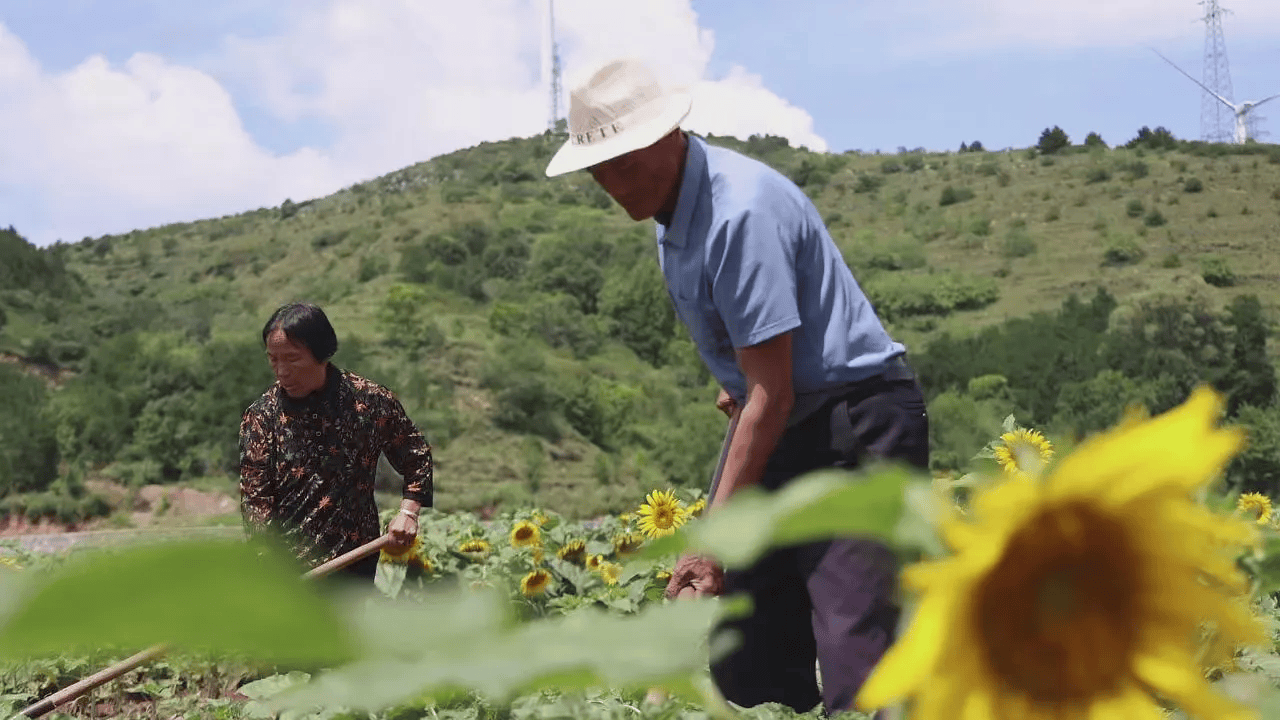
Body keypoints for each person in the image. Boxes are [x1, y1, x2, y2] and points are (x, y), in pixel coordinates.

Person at [544, 59, 929, 717]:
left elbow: (773, 393)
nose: (610, 183)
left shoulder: (738, 212)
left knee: (857, 651)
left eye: (623, 163)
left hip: (855, 428)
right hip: (782, 421)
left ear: (669, 136)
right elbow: (758, 377)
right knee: (750, 652)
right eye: (598, 169)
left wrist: (711, 540)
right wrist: (740, 388)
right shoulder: (671, 222)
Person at [238, 302, 434, 582]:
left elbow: (416, 456)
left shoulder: (369, 402)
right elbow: (256, 502)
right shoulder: (262, 417)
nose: (281, 371)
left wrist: (408, 513)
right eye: (273, 359)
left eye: (292, 359)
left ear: (322, 354)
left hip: (356, 564)